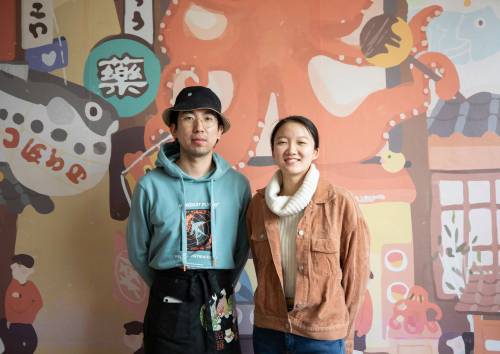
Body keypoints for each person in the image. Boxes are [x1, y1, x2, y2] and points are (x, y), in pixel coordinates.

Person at [127, 86, 251, 354]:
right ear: (173, 129)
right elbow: (138, 251)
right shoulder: (150, 185)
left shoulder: (238, 186)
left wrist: (219, 280)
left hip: (219, 291)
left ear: (219, 131)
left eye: (208, 118)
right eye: (188, 118)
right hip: (169, 293)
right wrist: (170, 282)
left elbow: (241, 249)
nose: (199, 127)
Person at [246, 116, 370, 354]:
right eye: (282, 142)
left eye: (301, 142)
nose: (291, 150)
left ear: (315, 152)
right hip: (269, 331)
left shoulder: (340, 203)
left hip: (322, 335)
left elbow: (357, 275)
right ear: (273, 151)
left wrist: (347, 336)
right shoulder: (258, 205)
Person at [2, 254, 43, 354]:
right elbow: (17, 307)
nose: (13, 270)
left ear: (25, 270)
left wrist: (23, 299)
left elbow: (39, 303)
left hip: (27, 325)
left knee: (32, 343)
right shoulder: (13, 287)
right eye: (13, 268)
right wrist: (29, 301)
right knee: (15, 347)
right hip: (15, 325)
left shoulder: (31, 285)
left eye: (16, 267)